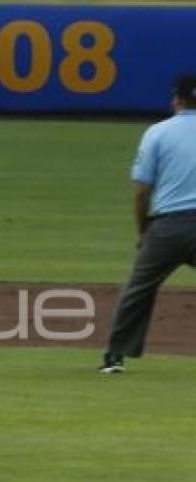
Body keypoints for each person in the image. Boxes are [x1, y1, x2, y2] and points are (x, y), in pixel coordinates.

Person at [100, 74, 196, 374]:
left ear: (176, 98)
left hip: (167, 227)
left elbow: (142, 191)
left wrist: (144, 232)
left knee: (138, 289)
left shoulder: (157, 133)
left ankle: (115, 357)